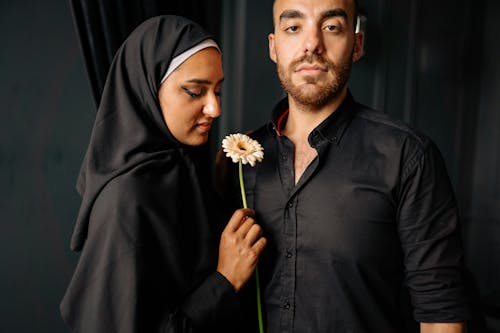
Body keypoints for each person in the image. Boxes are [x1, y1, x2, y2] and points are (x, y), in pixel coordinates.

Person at [218, 0, 471, 332]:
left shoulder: (408, 156)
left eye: (331, 27)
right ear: (273, 47)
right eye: (293, 28)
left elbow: (442, 315)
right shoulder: (238, 162)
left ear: (357, 45)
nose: (312, 44)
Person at [60, 15, 266, 333]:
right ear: (148, 90)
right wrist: (225, 281)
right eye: (195, 92)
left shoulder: (182, 168)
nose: (215, 109)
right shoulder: (126, 200)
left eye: (218, 92)